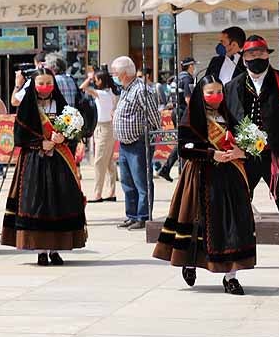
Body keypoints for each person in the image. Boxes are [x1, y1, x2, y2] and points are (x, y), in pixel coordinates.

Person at [154, 75, 254, 295]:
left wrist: (242, 152)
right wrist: (212, 154)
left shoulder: (229, 116)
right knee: (197, 224)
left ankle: (231, 277)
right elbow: (184, 149)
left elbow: (248, 143)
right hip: (200, 177)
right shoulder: (191, 119)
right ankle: (190, 262)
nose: (216, 96)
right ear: (201, 94)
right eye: (210, 92)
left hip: (230, 178)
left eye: (219, 91)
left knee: (232, 226)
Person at [1, 69, 87, 265]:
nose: (45, 88)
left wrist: (64, 137)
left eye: (49, 83)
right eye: (41, 83)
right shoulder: (27, 106)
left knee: (59, 202)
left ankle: (56, 249)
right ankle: (40, 250)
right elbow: (19, 136)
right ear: (34, 84)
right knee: (37, 203)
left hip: (59, 162)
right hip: (34, 162)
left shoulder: (61, 104)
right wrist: (40, 144)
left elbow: (74, 130)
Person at [224, 35, 279, 270]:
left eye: (261, 54)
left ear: (267, 55)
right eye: (251, 55)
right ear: (243, 58)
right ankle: (234, 252)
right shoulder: (232, 87)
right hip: (245, 157)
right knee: (237, 203)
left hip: (276, 155)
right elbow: (226, 121)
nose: (256, 59)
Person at [111, 56, 161, 230]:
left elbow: (154, 115)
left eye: (115, 72)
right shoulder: (126, 89)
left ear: (124, 73)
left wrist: (152, 135)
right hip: (125, 143)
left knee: (141, 182)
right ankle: (132, 214)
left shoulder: (141, 89)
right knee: (127, 182)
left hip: (138, 142)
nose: (114, 75)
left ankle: (143, 215)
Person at [81, 70, 118, 203]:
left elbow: (82, 87)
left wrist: (89, 78)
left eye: (96, 80)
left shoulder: (101, 93)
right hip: (106, 127)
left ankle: (98, 193)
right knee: (108, 162)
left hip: (103, 128)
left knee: (99, 162)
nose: (95, 82)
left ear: (100, 81)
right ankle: (111, 192)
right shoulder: (111, 92)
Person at [159, 57, 198, 182]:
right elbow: (188, 99)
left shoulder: (176, 78)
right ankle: (168, 168)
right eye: (193, 65)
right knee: (184, 141)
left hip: (175, 112)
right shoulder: (187, 78)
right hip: (183, 112)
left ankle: (180, 170)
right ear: (190, 66)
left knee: (184, 141)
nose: (194, 68)